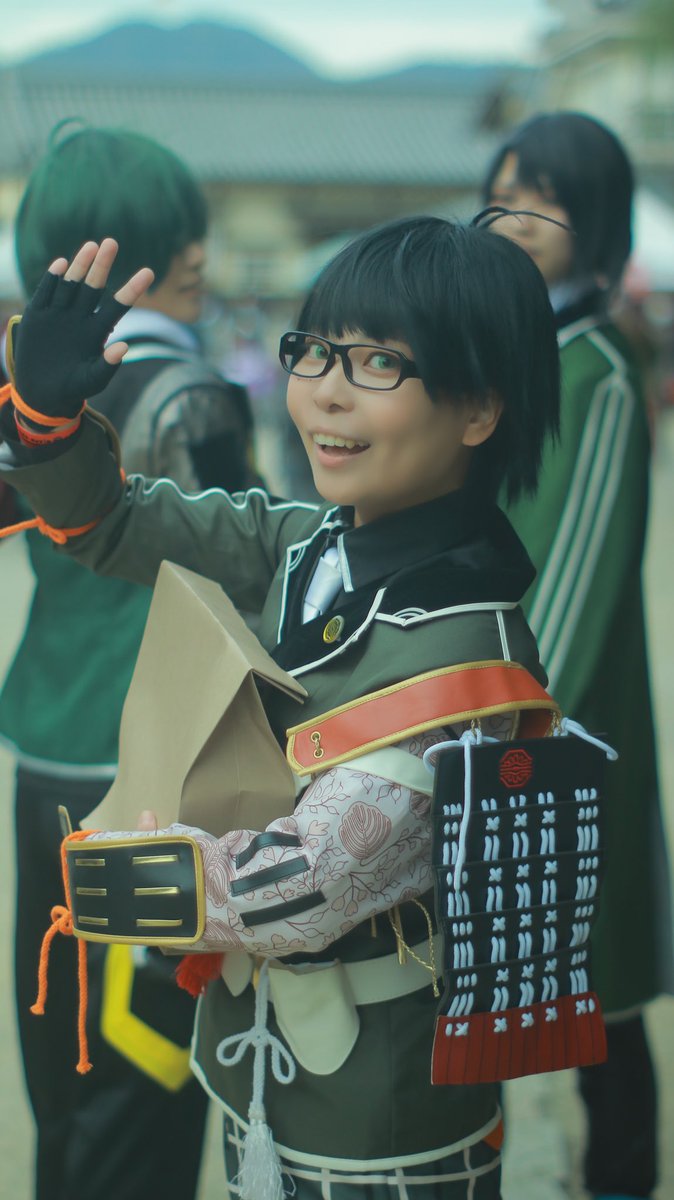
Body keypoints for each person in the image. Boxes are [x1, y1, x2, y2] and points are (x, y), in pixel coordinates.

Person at [0, 215, 565, 1200]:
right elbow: (113, 523)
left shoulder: (466, 652)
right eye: (315, 352)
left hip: (381, 1120)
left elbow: (301, 886)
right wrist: (44, 417)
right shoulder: (314, 545)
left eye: (380, 362)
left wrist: (100, 878)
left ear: (478, 408)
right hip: (266, 1064)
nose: (326, 392)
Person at [0, 124, 260, 1200]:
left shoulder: (29, 390)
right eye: (176, 236)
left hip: (46, 751)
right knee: (144, 1071)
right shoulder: (188, 391)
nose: (198, 253)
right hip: (159, 776)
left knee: (62, 1055)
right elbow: (246, 578)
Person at [483, 111, 674, 1200]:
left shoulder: (595, 365)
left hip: (559, 723)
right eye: (504, 187)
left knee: (598, 995)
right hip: (489, 706)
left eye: (543, 195)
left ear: (592, 218)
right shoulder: (518, 353)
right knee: (498, 980)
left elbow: (579, 569)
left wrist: (502, 710)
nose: (515, 210)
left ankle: (618, 1182)